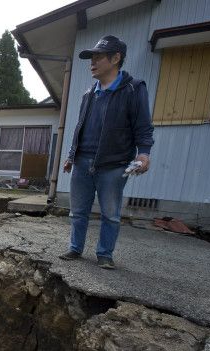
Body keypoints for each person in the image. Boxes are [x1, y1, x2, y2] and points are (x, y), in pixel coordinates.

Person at [58, 35, 154, 269]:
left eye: (98, 57)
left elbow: (142, 126)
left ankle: (105, 254)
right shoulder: (88, 94)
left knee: (110, 214)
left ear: (116, 58)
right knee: (78, 211)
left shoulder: (133, 89)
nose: (93, 62)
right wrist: (72, 156)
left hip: (113, 164)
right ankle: (75, 248)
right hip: (82, 161)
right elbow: (80, 126)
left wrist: (144, 154)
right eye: (92, 57)